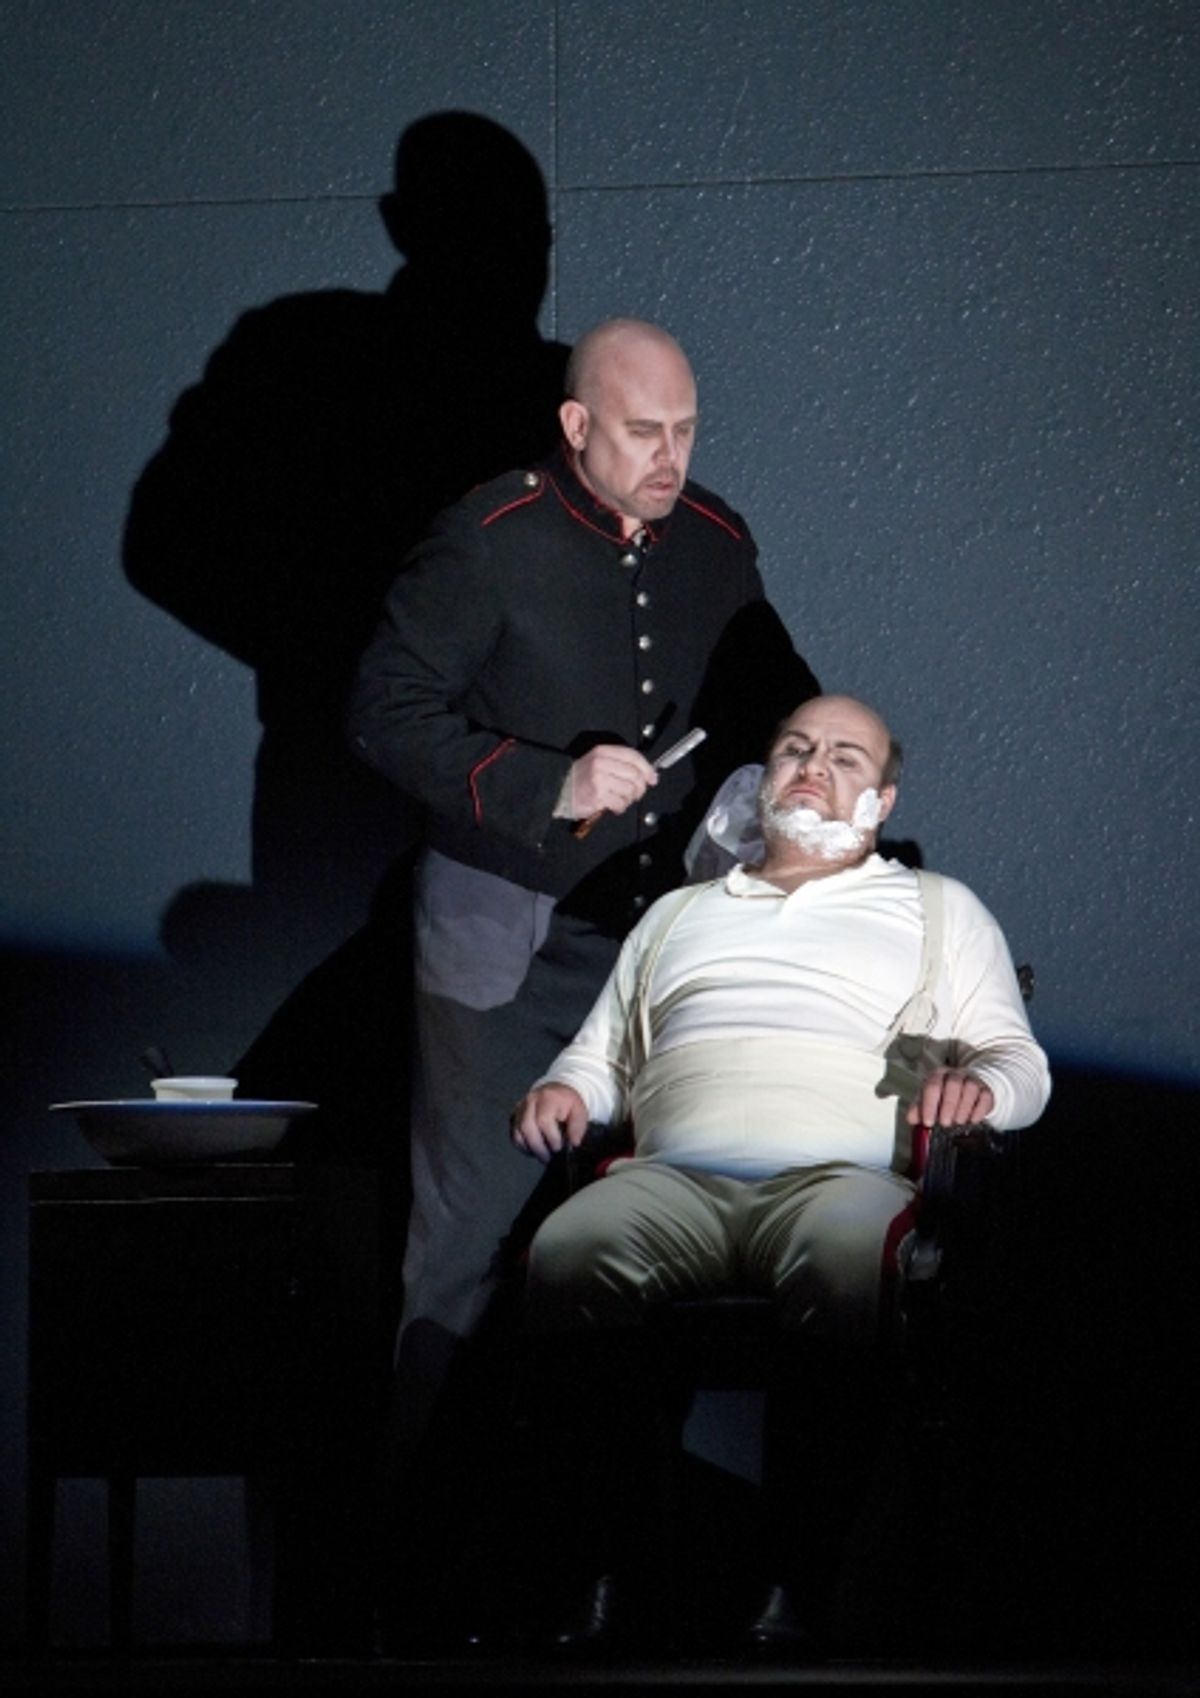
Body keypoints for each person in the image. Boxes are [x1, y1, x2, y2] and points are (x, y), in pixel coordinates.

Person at [346, 317, 819, 1633]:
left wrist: (816, 762)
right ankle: (416, 1598)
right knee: (469, 1257)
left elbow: (769, 682)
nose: (670, 461)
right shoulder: (487, 539)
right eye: (641, 435)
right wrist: (543, 781)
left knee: (644, 1265)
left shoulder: (717, 542)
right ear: (574, 428)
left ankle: (596, 1574)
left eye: (686, 433)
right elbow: (381, 707)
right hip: (506, 952)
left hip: (651, 960)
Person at [511, 693, 1051, 1653]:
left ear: (882, 800)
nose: (814, 764)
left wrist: (983, 1089)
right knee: (570, 1249)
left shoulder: (935, 908)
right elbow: (598, 1059)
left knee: (848, 1259)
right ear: (763, 779)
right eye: (796, 748)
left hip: (835, 1183)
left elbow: (1019, 1062)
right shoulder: (678, 915)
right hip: (672, 1180)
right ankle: (612, 1568)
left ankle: (796, 1578)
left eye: (847, 757)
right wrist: (563, 1092)